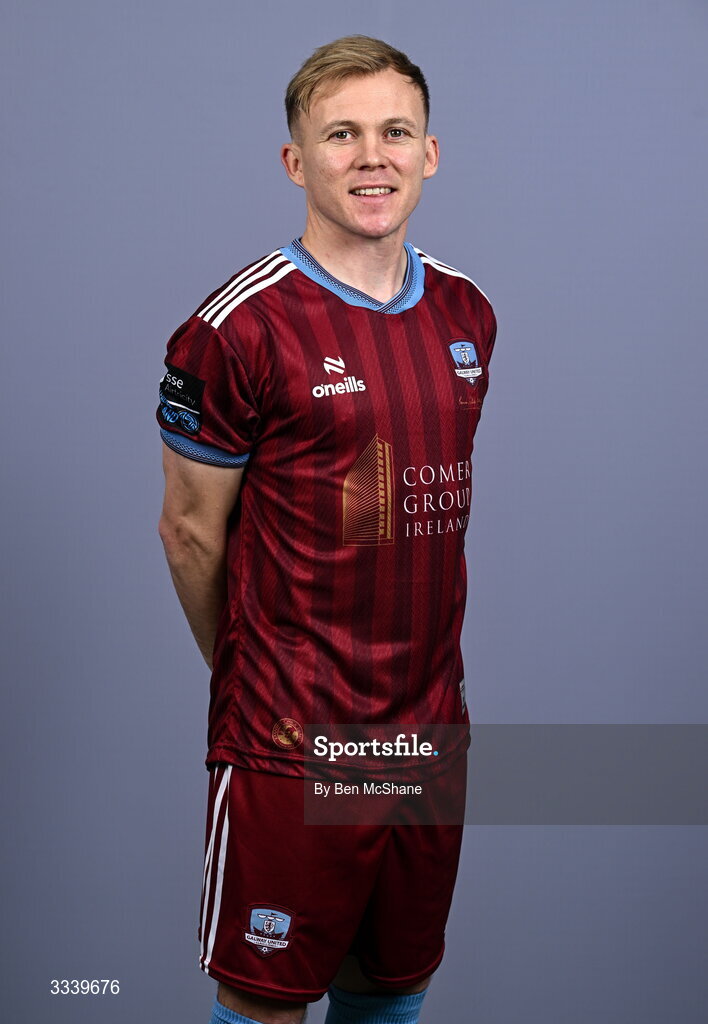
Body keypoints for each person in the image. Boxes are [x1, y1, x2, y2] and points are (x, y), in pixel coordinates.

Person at [157, 34, 497, 1024]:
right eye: (340, 134)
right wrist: (259, 679)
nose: (372, 156)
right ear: (295, 161)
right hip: (290, 742)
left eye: (395, 131)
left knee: (393, 993)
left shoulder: (468, 312)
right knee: (267, 1001)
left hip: (427, 738)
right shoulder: (238, 328)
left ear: (429, 152)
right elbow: (188, 532)